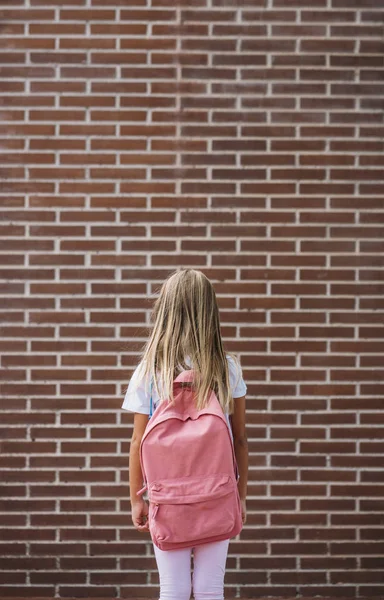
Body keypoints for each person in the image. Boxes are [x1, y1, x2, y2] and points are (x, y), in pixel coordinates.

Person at [121, 268, 249, 600]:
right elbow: (240, 438)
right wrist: (241, 494)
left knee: (173, 588)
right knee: (210, 588)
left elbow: (137, 441)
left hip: (166, 497)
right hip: (218, 494)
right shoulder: (226, 367)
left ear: (166, 310)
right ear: (210, 311)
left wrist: (137, 497)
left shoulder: (150, 370)